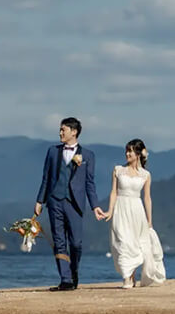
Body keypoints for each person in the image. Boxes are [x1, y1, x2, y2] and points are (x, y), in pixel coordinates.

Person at [34, 117, 104, 291]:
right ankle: (65, 279)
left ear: (74, 132)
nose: (60, 133)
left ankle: (73, 272)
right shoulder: (52, 151)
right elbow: (46, 178)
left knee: (76, 243)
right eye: (59, 130)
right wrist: (39, 200)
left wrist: (95, 205)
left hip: (75, 203)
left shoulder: (88, 155)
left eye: (63, 130)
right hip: (54, 201)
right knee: (59, 241)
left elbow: (89, 183)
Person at [99, 138, 165, 288]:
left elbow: (147, 198)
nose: (127, 154)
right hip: (120, 209)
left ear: (138, 153)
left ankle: (131, 276)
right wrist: (109, 210)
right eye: (126, 151)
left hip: (137, 210)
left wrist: (149, 220)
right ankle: (127, 277)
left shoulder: (145, 175)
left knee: (135, 245)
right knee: (123, 243)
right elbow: (113, 192)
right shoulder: (118, 170)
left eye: (130, 151)